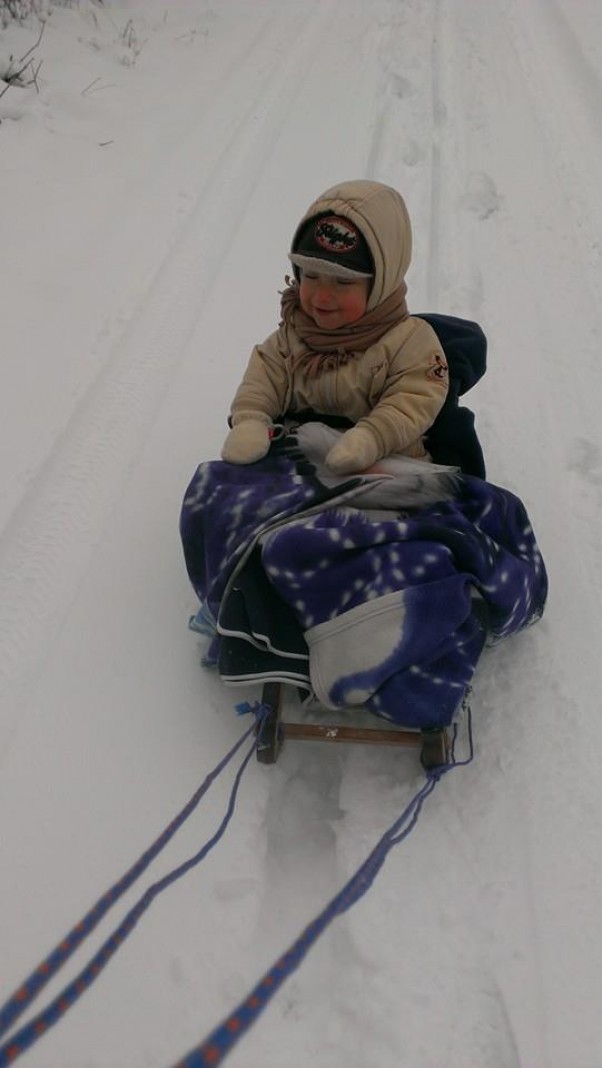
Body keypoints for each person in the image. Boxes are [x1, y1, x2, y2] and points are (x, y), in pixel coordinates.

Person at [221, 179, 449, 475]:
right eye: (311, 276)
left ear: (381, 283)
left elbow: (414, 399)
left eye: (343, 282)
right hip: (300, 468)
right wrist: (251, 420)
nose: (322, 296)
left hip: (386, 469)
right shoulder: (292, 337)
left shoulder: (409, 342)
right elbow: (263, 379)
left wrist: (372, 437)